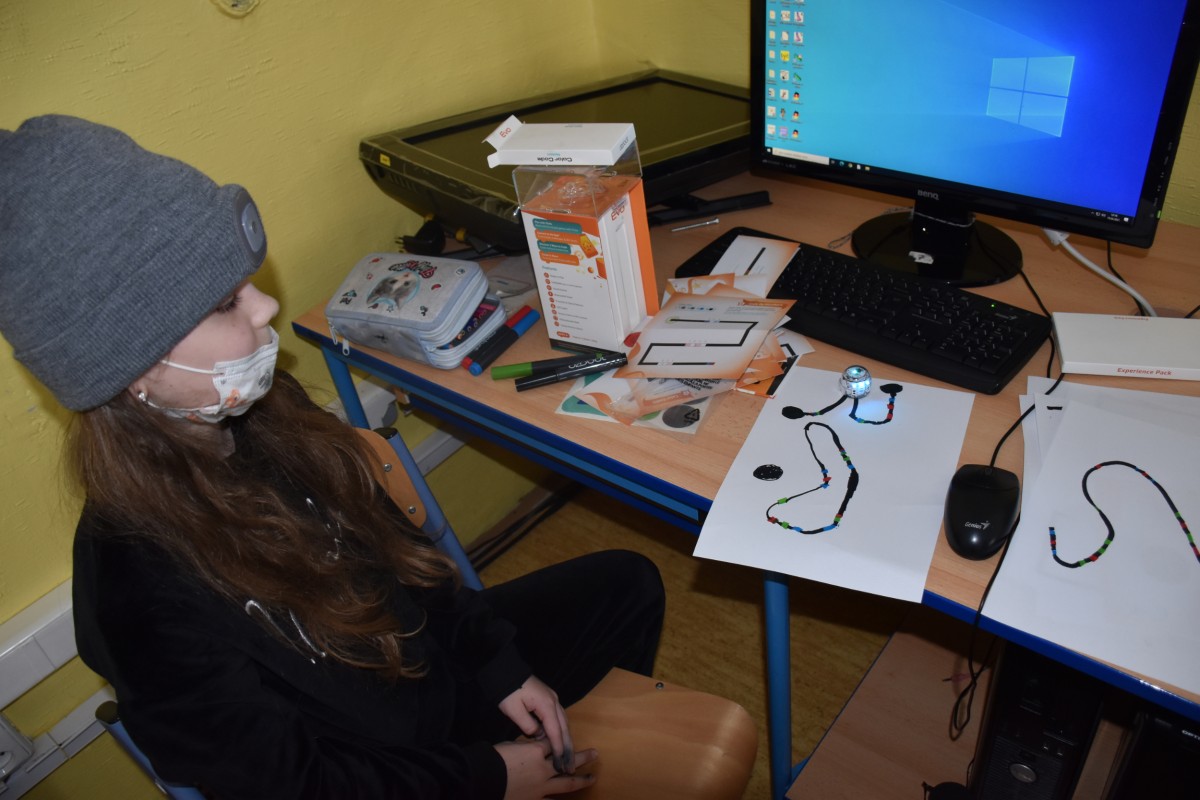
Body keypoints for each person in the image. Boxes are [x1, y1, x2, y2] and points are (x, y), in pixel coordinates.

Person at [0, 115, 665, 800]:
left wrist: (499, 667)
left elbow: (407, 561)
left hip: (427, 676)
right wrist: (488, 777)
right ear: (129, 367)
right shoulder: (136, 591)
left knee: (628, 583)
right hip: (385, 771)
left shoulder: (265, 413)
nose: (267, 306)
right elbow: (292, 785)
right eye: (227, 302)